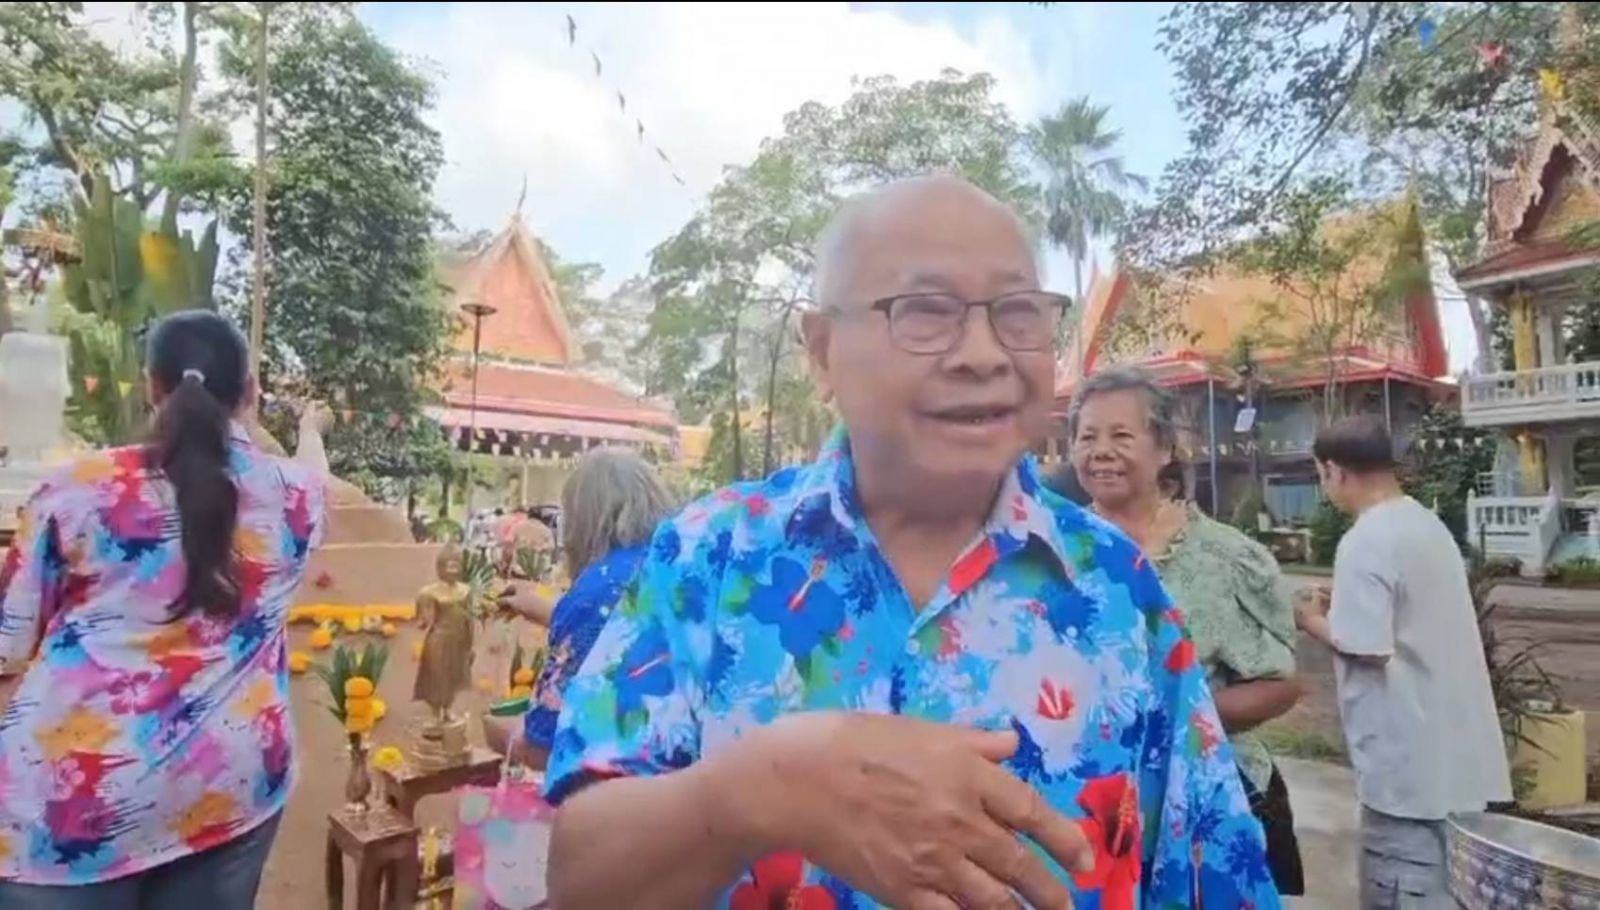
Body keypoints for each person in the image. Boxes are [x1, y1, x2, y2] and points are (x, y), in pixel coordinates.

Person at [541, 176, 1278, 909]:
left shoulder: (1118, 589)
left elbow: (1217, 879)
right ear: (823, 352)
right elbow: (581, 882)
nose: (984, 354)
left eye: (1018, 313)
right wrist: (761, 790)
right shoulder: (707, 558)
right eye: (926, 311)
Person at [0, 311, 329, 908]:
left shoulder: (78, 489)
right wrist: (308, 427)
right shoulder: (298, 498)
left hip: (73, 804)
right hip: (227, 786)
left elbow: (9, 642)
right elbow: (311, 470)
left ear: (152, 386)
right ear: (250, 392)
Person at [1068, 367, 1305, 895]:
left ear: (1165, 449)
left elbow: (1281, 683)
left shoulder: (1228, 558)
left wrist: (1173, 713)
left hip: (1207, 800)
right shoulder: (1049, 552)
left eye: (1121, 435)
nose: (1101, 451)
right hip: (1081, 805)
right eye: (1087, 437)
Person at [1296, 414, 1509, 909]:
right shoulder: (1426, 525)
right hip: (1454, 761)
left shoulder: (1365, 538)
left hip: (1403, 769)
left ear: (1334, 470)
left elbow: (1368, 647)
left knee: (1402, 889)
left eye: (1322, 476)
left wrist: (1310, 621)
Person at [485, 448, 675, 768]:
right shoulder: (677, 567)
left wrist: (496, 731)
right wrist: (549, 610)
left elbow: (546, 747)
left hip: (626, 782)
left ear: (580, 522)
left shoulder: (596, 589)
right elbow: (621, 629)